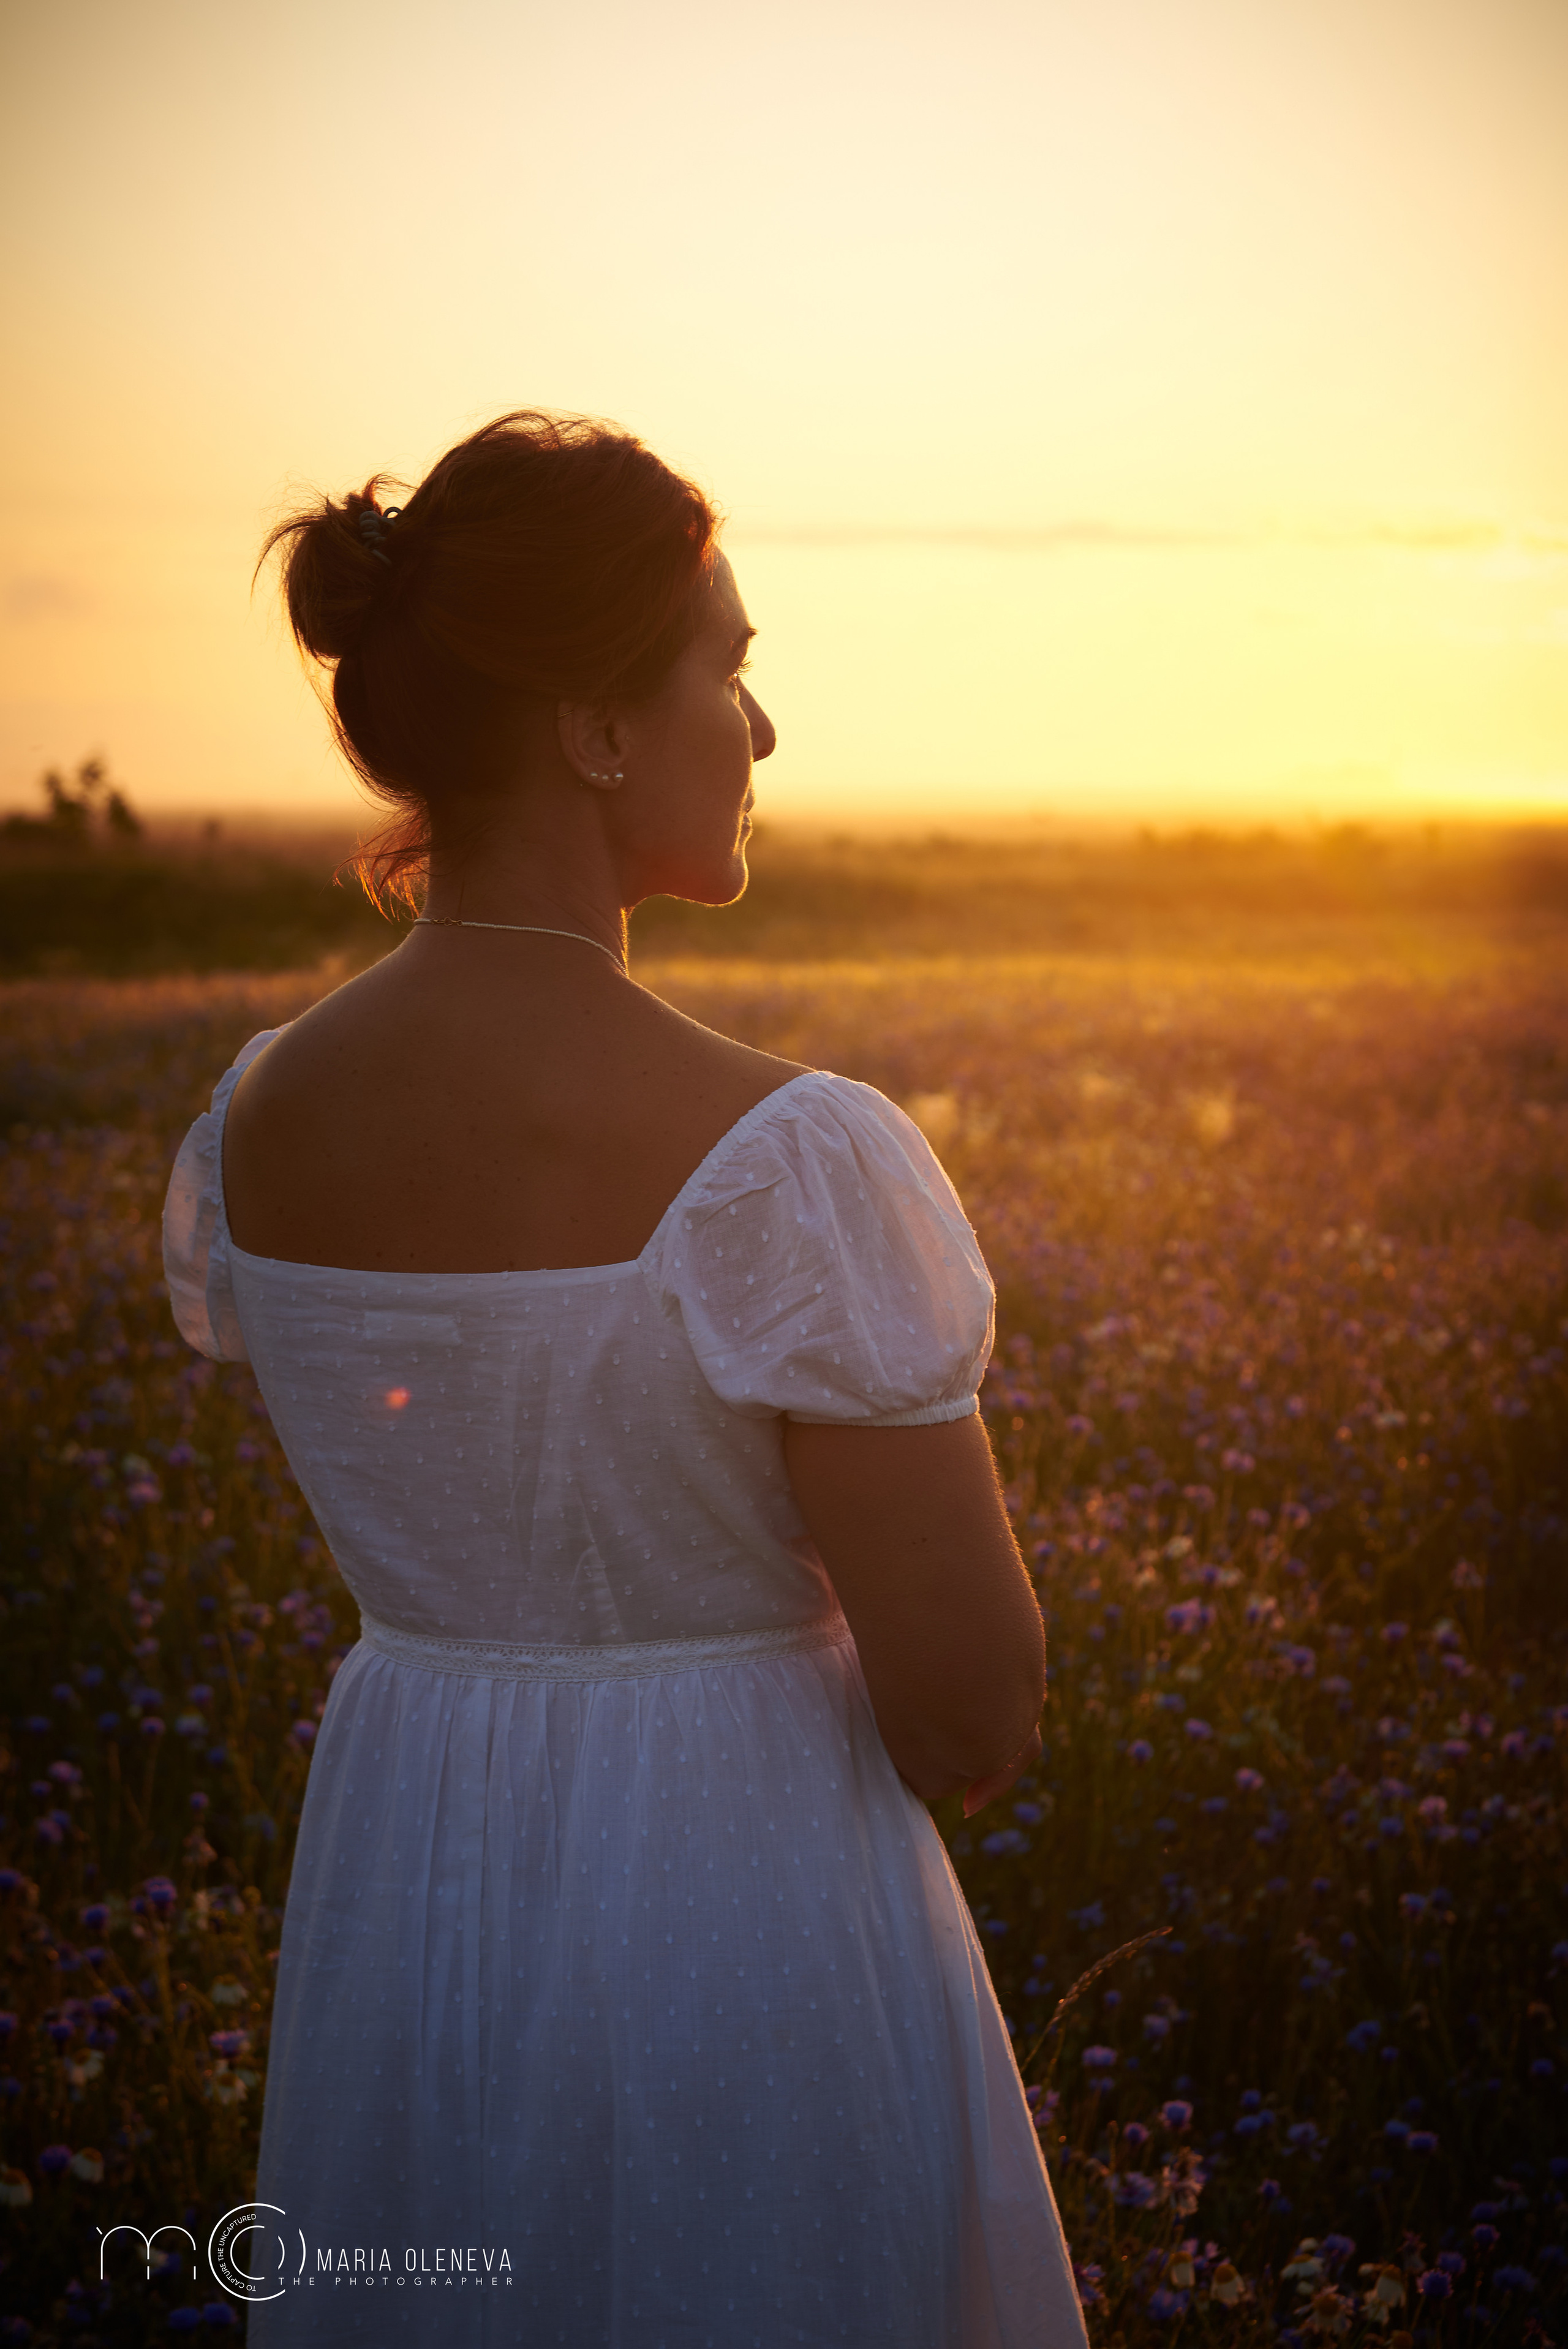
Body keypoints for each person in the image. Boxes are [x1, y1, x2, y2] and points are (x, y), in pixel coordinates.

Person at [162, 410, 1086, 2345]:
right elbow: (972, 1699)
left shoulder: (254, 1123)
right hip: (739, 1898)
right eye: (728, 668)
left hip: (413, 1884)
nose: (759, 731)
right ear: (592, 725)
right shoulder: (789, 1158)